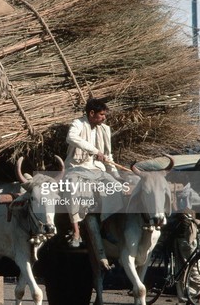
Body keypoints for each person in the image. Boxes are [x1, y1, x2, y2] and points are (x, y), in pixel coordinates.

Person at [63, 98, 124, 271]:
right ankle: (76, 232)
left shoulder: (105, 129)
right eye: (102, 114)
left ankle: (104, 227)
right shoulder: (78, 124)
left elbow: (108, 156)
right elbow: (71, 138)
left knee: (115, 190)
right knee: (73, 189)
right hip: (77, 168)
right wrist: (94, 150)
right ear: (91, 113)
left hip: (97, 169)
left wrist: (116, 176)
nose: (104, 118)